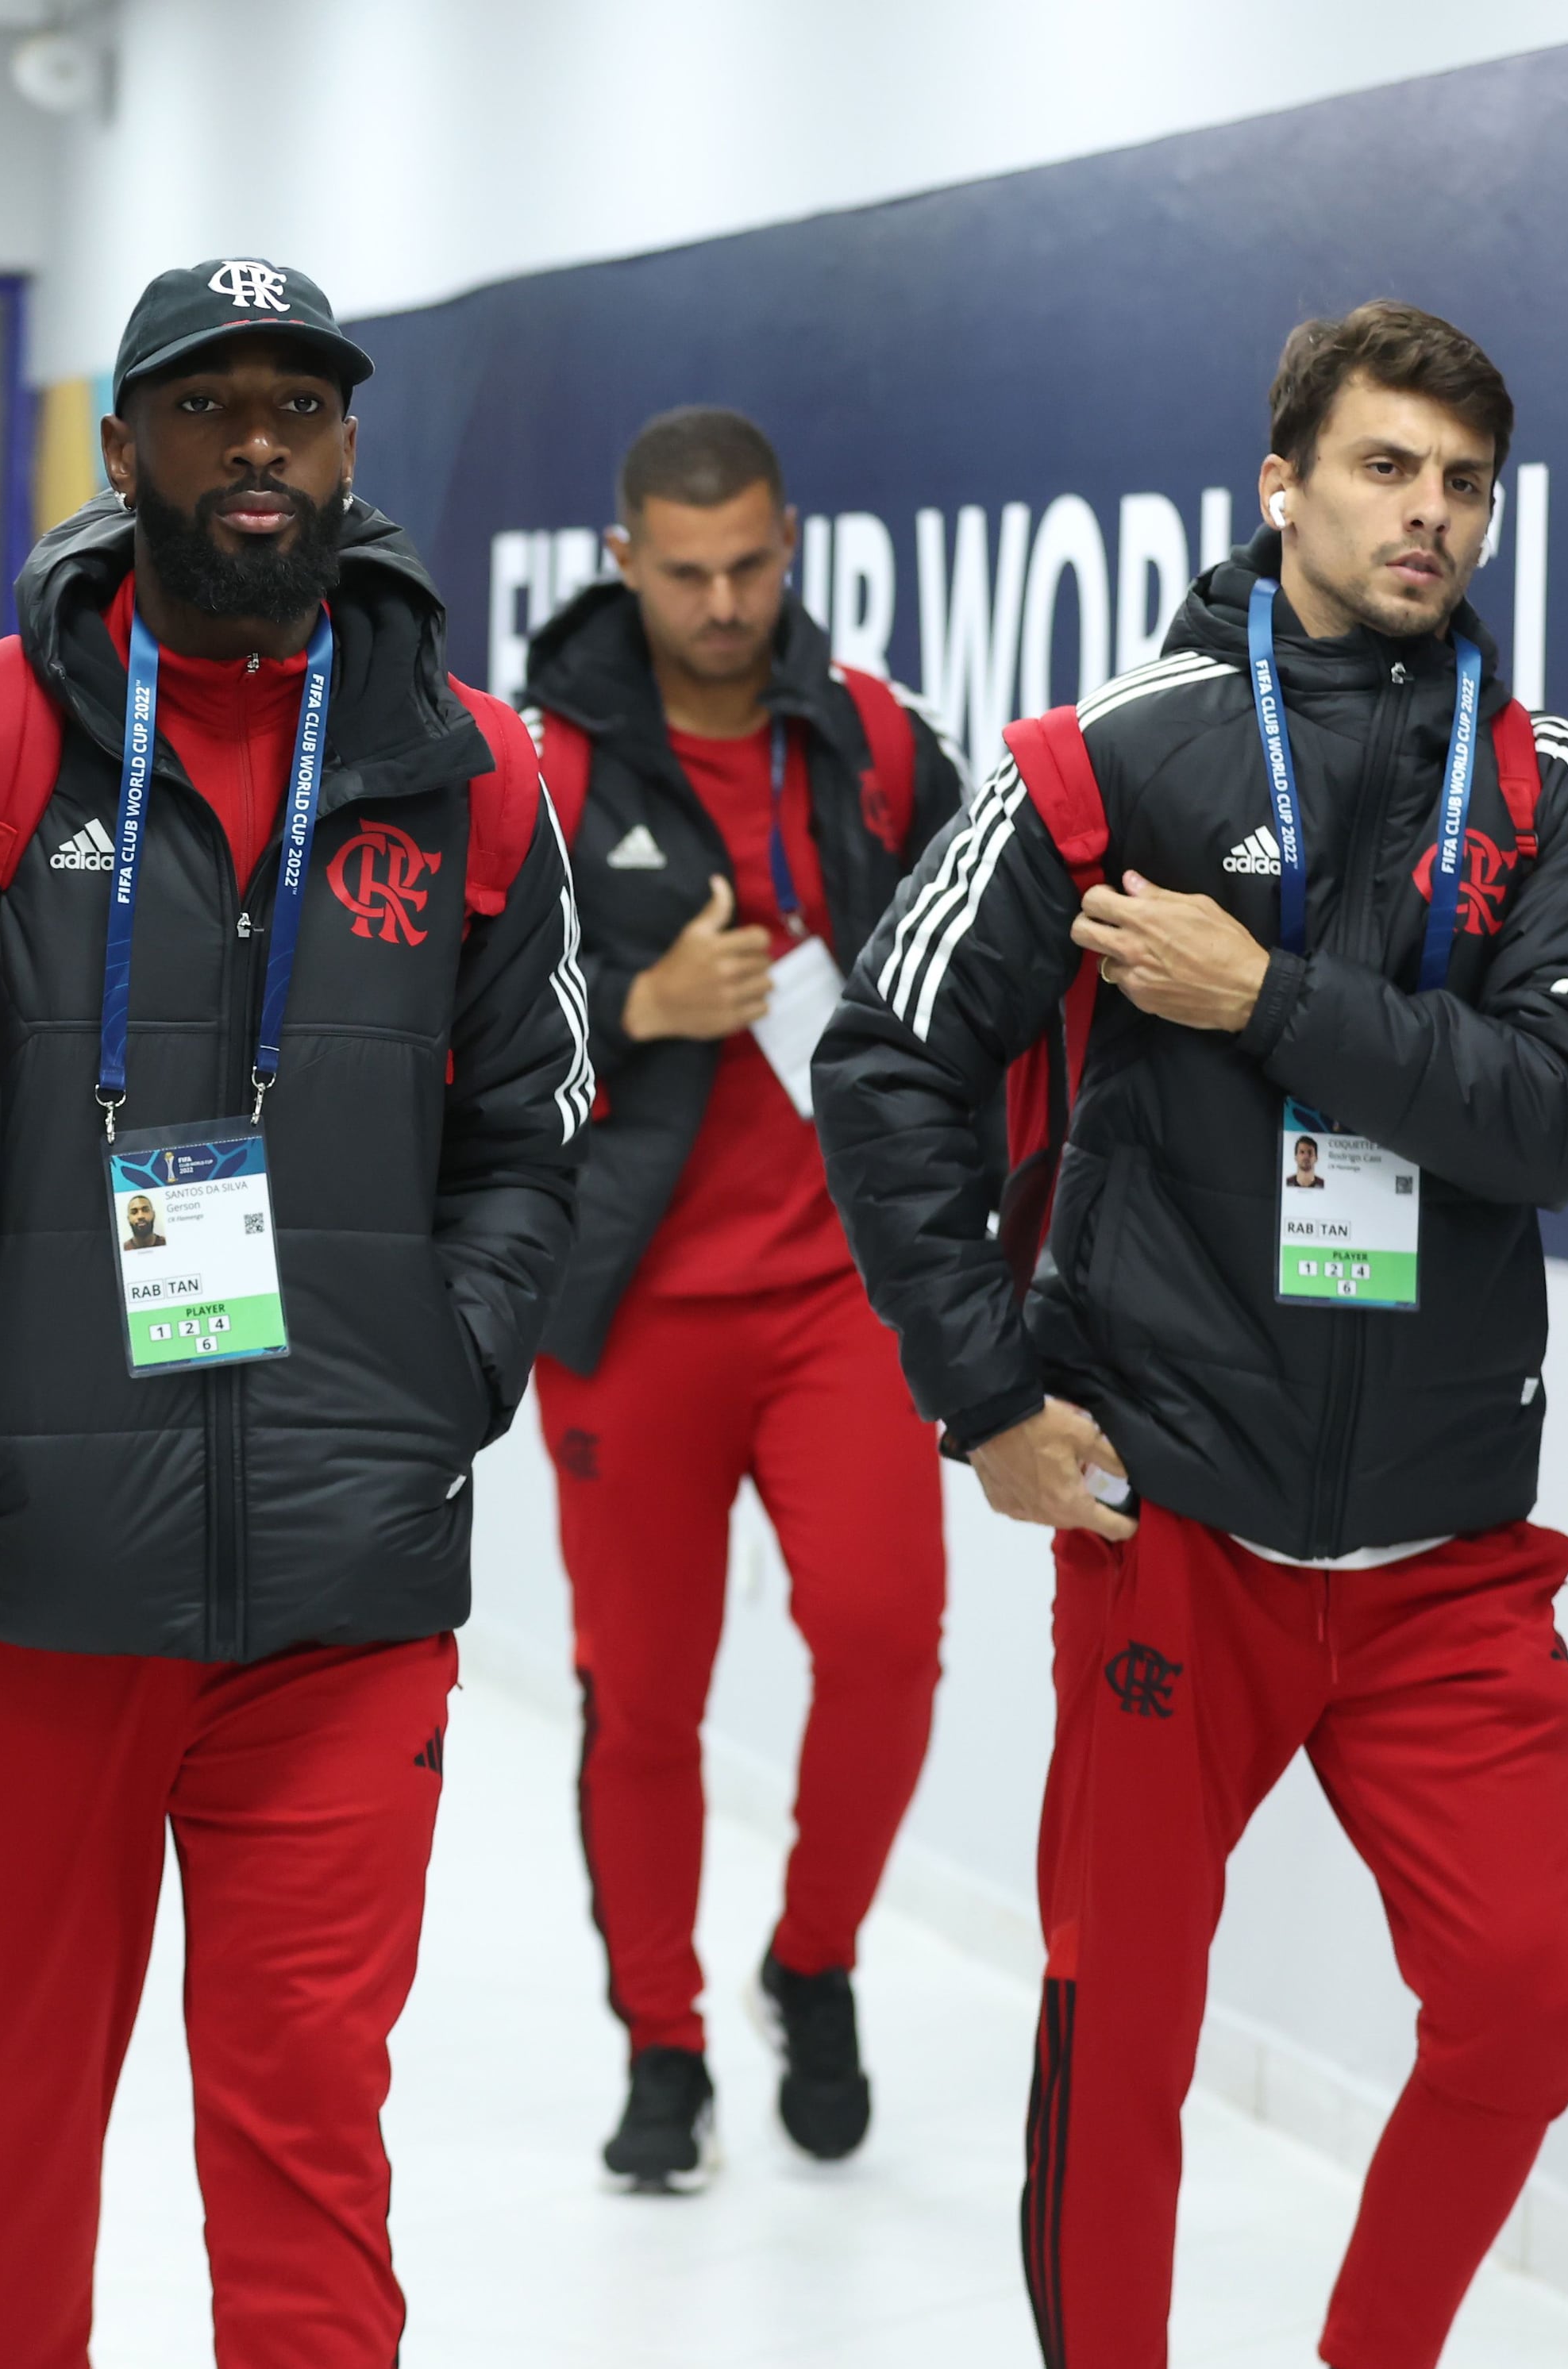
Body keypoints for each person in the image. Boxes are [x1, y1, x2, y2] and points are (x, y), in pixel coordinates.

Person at [0, 257, 590, 2369]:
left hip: (341, 1595)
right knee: (15, 2095)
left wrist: (447, 1368)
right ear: (118, 452)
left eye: (296, 411)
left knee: (303, 2132)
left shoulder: (470, 769)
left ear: (343, 454)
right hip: (31, 1594)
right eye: (204, 408)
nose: (255, 450)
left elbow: (538, 1136)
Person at [811, 301, 1568, 2369]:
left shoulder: (1552, 788)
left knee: (1520, 2006)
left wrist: (1262, 1001)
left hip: (1444, 1556)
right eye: (1383, 468)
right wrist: (981, 1397)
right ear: (1278, 477)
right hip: (1168, 1506)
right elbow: (885, 1057)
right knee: (1128, 2020)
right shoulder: (1108, 757)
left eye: (1461, 486)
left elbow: (1551, 1115)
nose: (1423, 517)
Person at [521, 406, 963, 2194]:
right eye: (685, 572)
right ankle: (659, 2036)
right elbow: (444, 1046)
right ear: (623, 561)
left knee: (881, 1638)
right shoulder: (535, 767)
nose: (721, 604)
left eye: (751, 567)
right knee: (643, 1701)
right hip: (628, 1302)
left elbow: (970, 967)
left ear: (791, 547)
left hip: (840, 1293)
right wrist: (631, 1012)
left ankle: (815, 1951)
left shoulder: (866, 742)